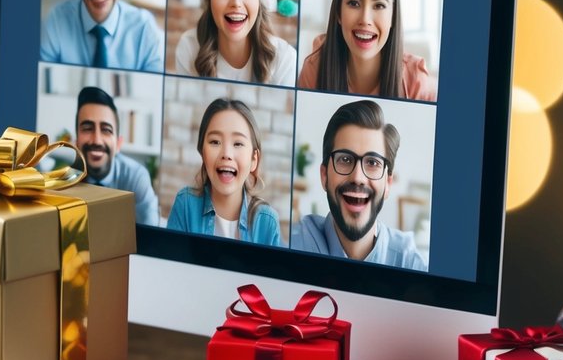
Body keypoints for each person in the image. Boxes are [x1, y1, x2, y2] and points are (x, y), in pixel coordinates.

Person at [291, 99, 427, 269]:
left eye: (372, 163)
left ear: (388, 184)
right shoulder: (290, 240)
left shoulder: (410, 262)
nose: (358, 177)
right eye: (345, 159)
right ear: (324, 176)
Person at [297, 0, 436, 101]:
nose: (365, 19)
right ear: (338, 12)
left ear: (393, 17)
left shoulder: (416, 82)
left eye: (379, 5)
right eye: (354, 3)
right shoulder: (314, 70)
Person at [166, 97, 281, 245]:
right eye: (215, 142)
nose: (226, 153)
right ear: (202, 152)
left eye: (238, 143)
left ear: (254, 159)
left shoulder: (267, 222)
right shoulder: (186, 204)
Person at [75, 85, 159, 226]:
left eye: (106, 130)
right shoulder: (64, 182)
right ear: (76, 142)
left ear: (118, 144)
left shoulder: (136, 177)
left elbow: (151, 239)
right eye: (87, 128)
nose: (96, 140)